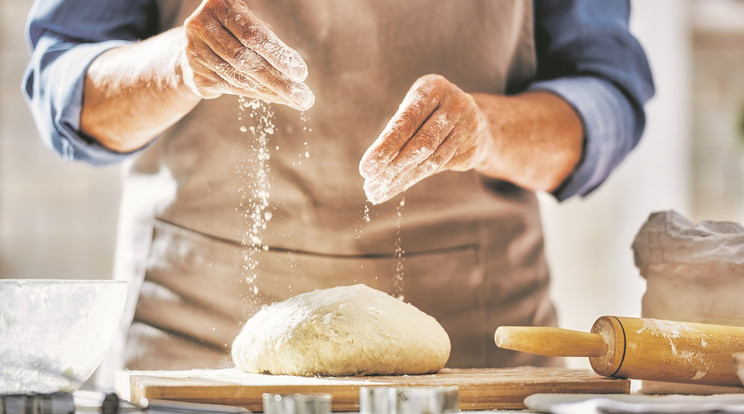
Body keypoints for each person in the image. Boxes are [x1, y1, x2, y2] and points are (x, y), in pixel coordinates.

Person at [23, 0, 654, 381]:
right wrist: (175, 66)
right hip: (194, 341)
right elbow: (63, 80)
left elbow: (606, 97)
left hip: (472, 353)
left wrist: (488, 131)